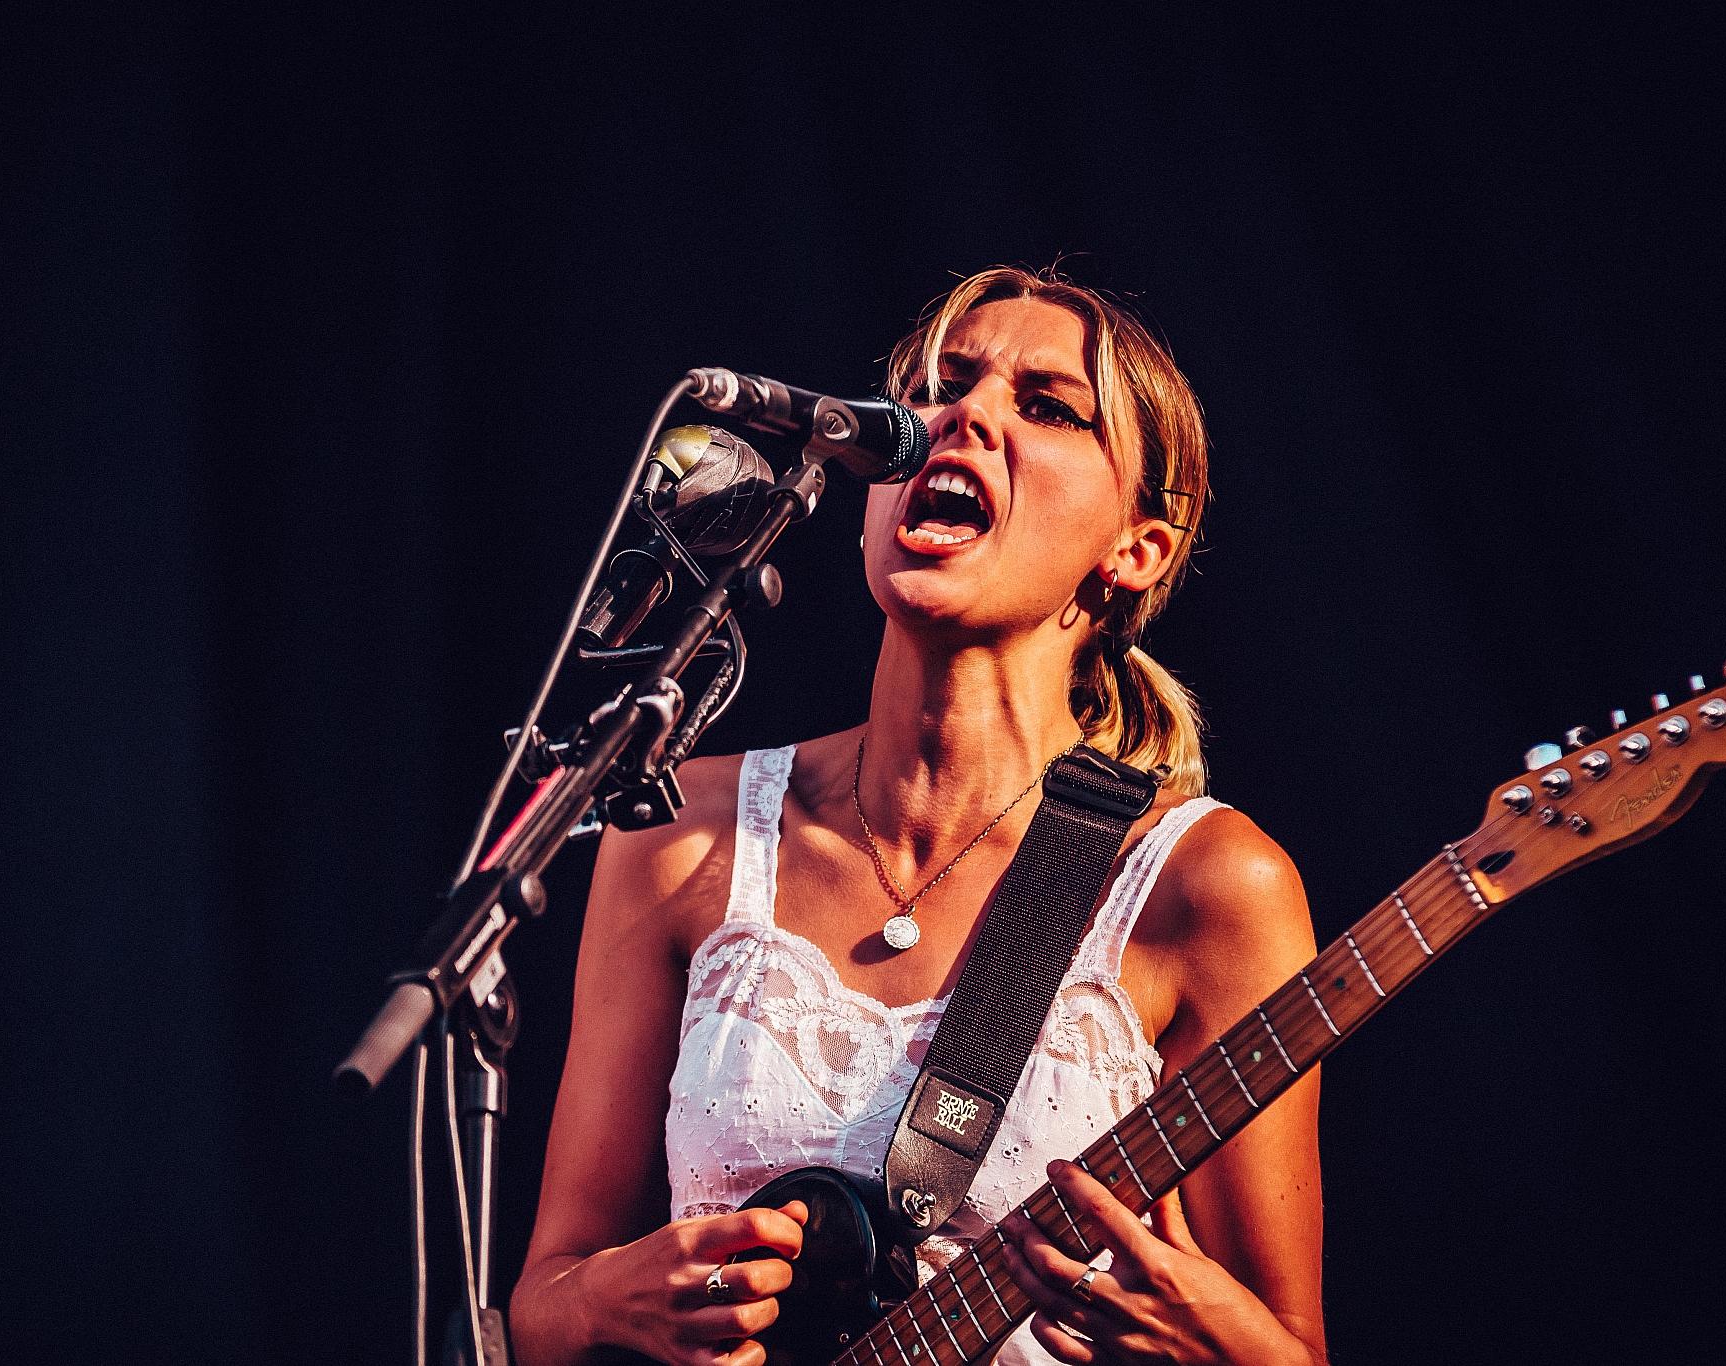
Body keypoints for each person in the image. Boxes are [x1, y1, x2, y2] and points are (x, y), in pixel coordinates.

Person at [510, 266, 1325, 1366]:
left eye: (1047, 407)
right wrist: (612, 1302)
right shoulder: (682, 829)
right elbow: (543, 1304)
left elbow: (1291, 1345)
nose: (964, 415)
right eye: (940, 388)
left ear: (1135, 550)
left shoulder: (1205, 883)